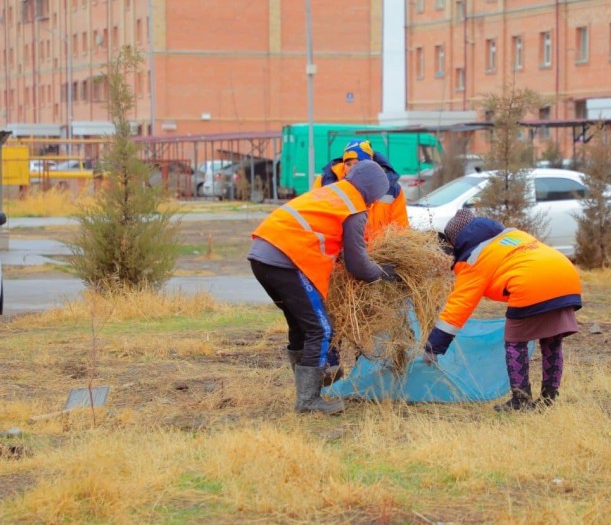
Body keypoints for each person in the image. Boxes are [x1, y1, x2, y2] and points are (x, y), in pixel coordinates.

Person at [248, 160, 399, 415]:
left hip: (262, 255)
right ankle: (309, 400)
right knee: (320, 329)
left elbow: (326, 237)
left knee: (300, 325)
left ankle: (310, 387)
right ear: (371, 190)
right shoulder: (355, 207)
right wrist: (383, 274)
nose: (373, 204)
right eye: (375, 198)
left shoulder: (333, 192)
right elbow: (357, 264)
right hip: (287, 260)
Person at [422, 208, 582, 411]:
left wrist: (434, 346)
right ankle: (549, 398)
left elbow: (459, 305)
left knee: (516, 341)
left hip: (531, 283)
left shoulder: (474, 258)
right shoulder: (511, 235)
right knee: (551, 340)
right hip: (566, 276)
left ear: (458, 241)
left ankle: (521, 401)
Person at [314, 139, 410, 381]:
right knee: (332, 313)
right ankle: (330, 367)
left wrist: (390, 259)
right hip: (337, 261)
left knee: (368, 316)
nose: (352, 167)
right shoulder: (326, 183)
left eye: (358, 163)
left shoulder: (392, 189)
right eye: (348, 163)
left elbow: (400, 229)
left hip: (373, 260)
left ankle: (363, 373)